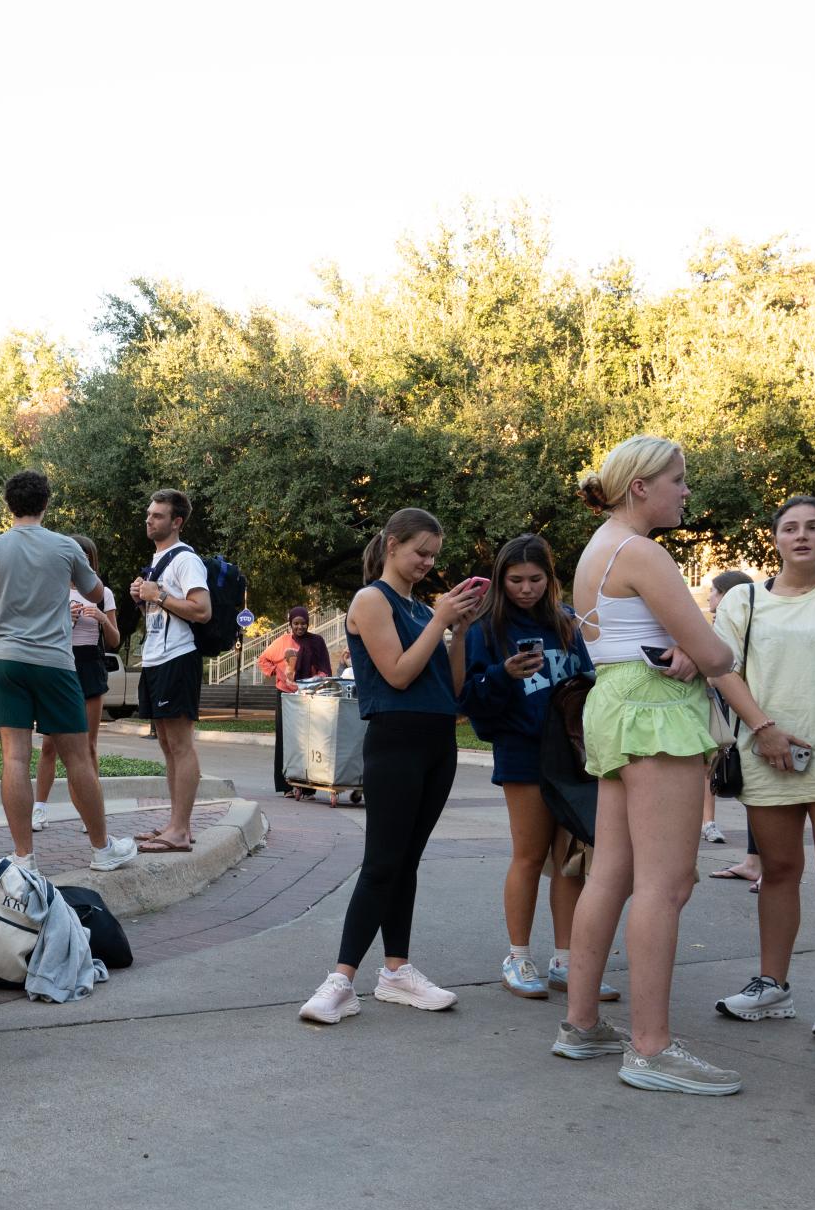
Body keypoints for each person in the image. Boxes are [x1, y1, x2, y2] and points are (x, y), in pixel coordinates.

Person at [549, 434, 739, 1095]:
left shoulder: (597, 549)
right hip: (656, 712)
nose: (685, 491)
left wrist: (683, 647)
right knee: (667, 883)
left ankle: (580, 1025)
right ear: (640, 487)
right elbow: (714, 653)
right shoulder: (641, 551)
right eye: (677, 479)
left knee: (610, 875)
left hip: (616, 702)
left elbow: (643, 641)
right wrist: (706, 649)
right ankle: (651, 1047)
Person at [707, 497, 815, 1043]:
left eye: (814, 527)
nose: (801, 535)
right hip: (767, 750)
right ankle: (772, 985)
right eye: (789, 528)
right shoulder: (744, 599)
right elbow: (720, 669)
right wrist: (765, 729)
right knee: (777, 870)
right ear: (775, 538)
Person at [298, 508, 481, 1025]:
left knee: (407, 861)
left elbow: (454, 688)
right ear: (393, 545)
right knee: (382, 862)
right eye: (420, 551)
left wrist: (459, 631)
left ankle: (396, 972)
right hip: (395, 739)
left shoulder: (423, 609)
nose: (427, 562)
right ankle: (341, 979)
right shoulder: (370, 600)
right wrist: (442, 619)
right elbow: (398, 675)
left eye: (434, 556)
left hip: (437, 741)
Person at [458, 533, 612, 1002]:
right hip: (522, 752)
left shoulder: (567, 624)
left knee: (570, 862)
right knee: (529, 854)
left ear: (550, 580)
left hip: (571, 755)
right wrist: (504, 674)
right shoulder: (484, 629)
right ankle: (517, 955)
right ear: (502, 581)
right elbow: (468, 699)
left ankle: (567, 961)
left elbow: (589, 682)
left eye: (536, 579)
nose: (526, 589)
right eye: (516, 580)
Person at [0, 470, 137, 876]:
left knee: (14, 758)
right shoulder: (64, 547)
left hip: (7, 659)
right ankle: (102, 849)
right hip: (55, 662)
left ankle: (24, 857)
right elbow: (96, 593)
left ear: (9, 505)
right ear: (46, 503)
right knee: (78, 757)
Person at [128, 489, 211, 852]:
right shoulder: (159, 558)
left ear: (176, 522)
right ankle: (178, 824)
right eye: (149, 514)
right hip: (156, 658)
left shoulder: (186, 560)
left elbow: (201, 610)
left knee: (179, 744)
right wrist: (143, 595)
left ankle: (179, 831)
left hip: (178, 657)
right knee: (166, 744)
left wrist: (157, 595)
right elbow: (162, 604)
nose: (150, 519)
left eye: (158, 515)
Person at [32, 534, 118, 832]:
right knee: (49, 746)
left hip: (90, 666)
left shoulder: (102, 593)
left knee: (89, 746)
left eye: (82, 556)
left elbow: (115, 640)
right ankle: (39, 809)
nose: (75, 560)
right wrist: (64, 620)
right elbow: (41, 633)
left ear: (90, 560)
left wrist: (101, 620)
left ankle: (91, 812)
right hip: (59, 664)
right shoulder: (52, 590)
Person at [701, 569, 763, 887]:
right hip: (735, 711)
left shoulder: (752, 621)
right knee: (745, 783)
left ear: (728, 595)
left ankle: (770, 866)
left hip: (750, 713)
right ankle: (754, 861)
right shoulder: (723, 625)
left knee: (760, 786)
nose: (709, 596)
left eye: (714, 591)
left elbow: (723, 671)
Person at [259, 606, 333, 798]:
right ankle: (286, 786)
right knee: (285, 739)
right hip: (286, 695)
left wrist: (320, 677)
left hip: (308, 695)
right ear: (290, 624)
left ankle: (308, 787)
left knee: (310, 739)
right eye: (296, 623)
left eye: (303, 623)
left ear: (308, 623)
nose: (300, 627)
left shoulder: (316, 641)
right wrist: (277, 673)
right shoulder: (282, 641)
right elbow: (263, 659)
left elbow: (325, 665)